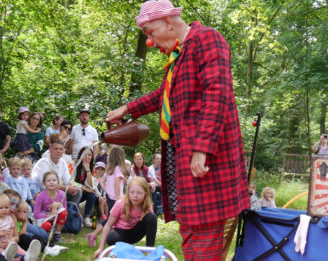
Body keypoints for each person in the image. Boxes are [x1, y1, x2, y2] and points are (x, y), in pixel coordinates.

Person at [106, 1, 249, 258]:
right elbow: (164, 95)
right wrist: (127, 108)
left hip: (208, 165)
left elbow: (218, 93)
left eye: (150, 32)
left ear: (168, 21)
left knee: (205, 239)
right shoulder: (179, 56)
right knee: (190, 233)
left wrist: (202, 149)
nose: (150, 41)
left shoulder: (207, 39)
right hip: (184, 162)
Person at [93, 177, 157, 258]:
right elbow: (108, 225)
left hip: (135, 233)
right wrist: (101, 248)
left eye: (139, 193)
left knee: (152, 217)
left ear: (146, 194)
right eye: (132, 192)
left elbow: (151, 225)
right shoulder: (120, 204)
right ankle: (121, 251)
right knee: (111, 238)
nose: (135, 196)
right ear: (128, 192)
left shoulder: (147, 205)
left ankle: (150, 252)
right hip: (121, 233)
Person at [86, 146, 127, 246]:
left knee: (111, 219)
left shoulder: (109, 169)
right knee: (110, 220)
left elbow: (102, 181)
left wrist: (107, 191)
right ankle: (93, 235)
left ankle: (110, 239)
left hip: (110, 197)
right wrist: (117, 197)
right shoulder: (118, 169)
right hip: (116, 198)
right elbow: (117, 183)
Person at [31, 136, 80, 206]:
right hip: (41, 192)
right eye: (56, 149)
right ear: (50, 150)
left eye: (61, 149)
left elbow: (67, 179)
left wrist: (72, 186)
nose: (59, 151)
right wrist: (65, 188)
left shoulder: (63, 162)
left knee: (78, 191)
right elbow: (45, 185)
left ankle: (68, 212)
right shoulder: (43, 162)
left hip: (56, 191)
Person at [0, 193, 31, 260]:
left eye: (6, 207)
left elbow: (11, 229)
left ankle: (27, 255)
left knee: (17, 248)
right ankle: (9, 258)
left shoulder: (9, 218)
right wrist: (2, 233)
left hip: (8, 242)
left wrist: (9, 238)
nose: (4, 210)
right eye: (1, 208)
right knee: (2, 253)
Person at [33, 171, 68, 243]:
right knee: (47, 226)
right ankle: (46, 235)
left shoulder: (62, 194)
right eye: (48, 181)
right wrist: (48, 215)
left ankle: (57, 234)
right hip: (44, 217)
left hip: (56, 216)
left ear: (58, 182)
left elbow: (65, 210)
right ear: (44, 183)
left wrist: (59, 205)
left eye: (54, 180)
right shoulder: (41, 196)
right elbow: (36, 214)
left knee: (64, 213)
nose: (51, 182)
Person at [72, 146, 97, 227]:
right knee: (80, 192)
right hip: (73, 192)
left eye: (89, 155)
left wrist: (87, 169)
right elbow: (70, 181)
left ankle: (86, 217)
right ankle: (78, 218)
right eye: (85, 154)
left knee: (92, 195)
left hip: (83, 192)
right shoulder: (73, 164)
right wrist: (84, 188)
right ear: (80, 155)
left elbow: (90, 185)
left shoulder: (91, 167)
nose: (87, 157)